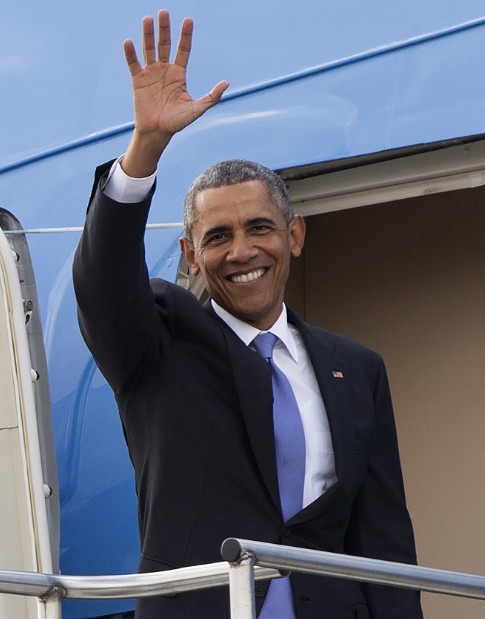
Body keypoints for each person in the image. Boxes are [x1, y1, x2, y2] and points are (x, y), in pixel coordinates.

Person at [72, 10, 422, 619]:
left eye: (260, 228)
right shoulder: (159, 344)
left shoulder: (355, 368)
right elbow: (102, 287)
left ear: (295, 236)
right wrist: (144, 151)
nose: (241, 251)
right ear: (190, 254)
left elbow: (383, 543)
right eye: (218, 236)